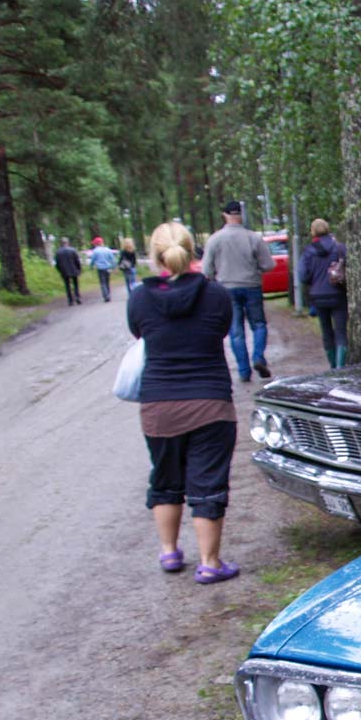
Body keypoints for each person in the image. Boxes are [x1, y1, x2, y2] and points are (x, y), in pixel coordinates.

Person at [127, 221, 240, 583]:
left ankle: (169, 552)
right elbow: (221, 330)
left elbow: (139, 333)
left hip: (158, 405)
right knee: (208, 483)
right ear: (193, 251)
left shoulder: (139, 298)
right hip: (211, 403)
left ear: (154, 255)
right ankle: (210, 563)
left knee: (165, 479)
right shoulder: (216, 294)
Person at [201, 199, 276, 382]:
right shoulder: (253, 238)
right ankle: (258, 357)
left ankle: (243, 371)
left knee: (235, 331)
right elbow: (268, 264)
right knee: (258, 325)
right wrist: (255, 269)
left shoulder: (215, 239)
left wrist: (217, 276)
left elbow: (206, 271)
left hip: (226, 288)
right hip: (251, 286)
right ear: (241, 215)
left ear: (225, 215)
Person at [297, 218, 349, 368]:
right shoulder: (340, 248)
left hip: (318, 296)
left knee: (326, 332)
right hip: (338, 294)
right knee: (341, 331)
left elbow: (303, 276)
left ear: (313, 231)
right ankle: (340, 367)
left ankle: (332, 366)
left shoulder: (308, 251)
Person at [88, 236, 118, 303]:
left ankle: (106, 296)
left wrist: (91, 266)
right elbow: (112, 259)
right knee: (107, 282)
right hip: (108, 268)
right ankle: (108, 294)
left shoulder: (95, 251)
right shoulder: (108, 250)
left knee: (103, 283)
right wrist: (114, 267)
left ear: (96, 244)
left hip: (100, 269)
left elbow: (93, 260)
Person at [53, 238, 82, 306]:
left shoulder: (58, 252)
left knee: (67, 285)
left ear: (61, 243)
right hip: (74, 270)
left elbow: (57, 264)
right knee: (75, 284)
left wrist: (60, 270)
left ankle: (70, 300)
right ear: (68, 243)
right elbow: (77, 261)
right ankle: (77, 297)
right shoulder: (73, 250)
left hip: (64, 271)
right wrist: (79, 269)